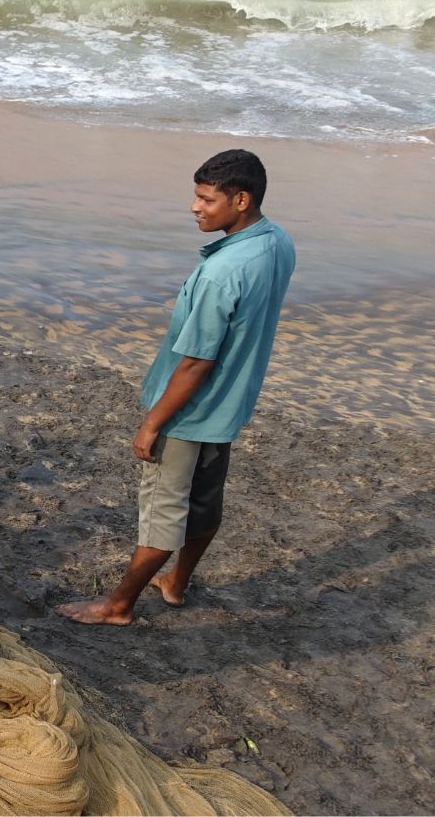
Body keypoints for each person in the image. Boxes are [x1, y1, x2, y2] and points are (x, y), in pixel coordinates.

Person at [59, 151, 297, 627]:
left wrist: (152, 424)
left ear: (241, 200)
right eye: (196, 195)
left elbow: (194, 364)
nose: (195, 207)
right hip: (228, 408)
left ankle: (118, 605)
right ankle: (176, 583)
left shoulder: (221, 273)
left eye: (207, 199)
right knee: (206, 502)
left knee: (162, 512)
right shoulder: (277, 242)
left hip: (189, 414)